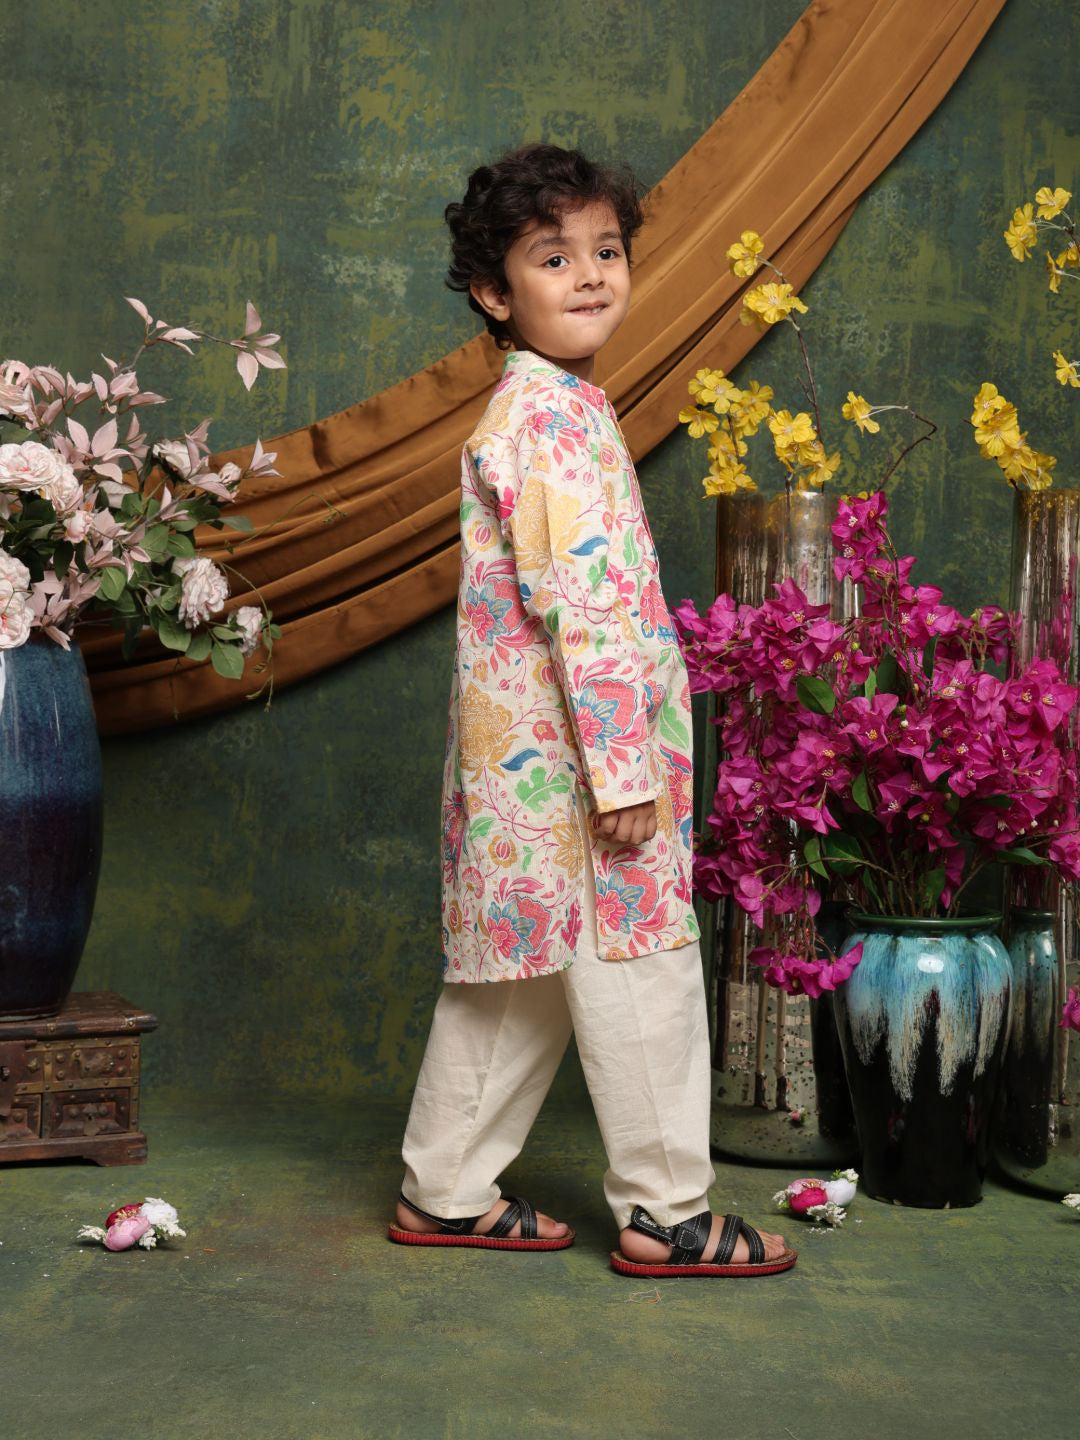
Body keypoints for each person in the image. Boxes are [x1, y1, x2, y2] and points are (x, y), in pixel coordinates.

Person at [388, 143, 795, 1278]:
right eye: (551, 256)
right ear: (493, 290)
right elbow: (586, 608)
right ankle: (668, 1210)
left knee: (513, 983)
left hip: (513, 772)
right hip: (580, 776)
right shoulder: (555, 424)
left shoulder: (539, 409)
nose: (589, 275)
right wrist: (625, 773)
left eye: (605, 251)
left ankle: (447, 1189)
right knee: (643, 971)